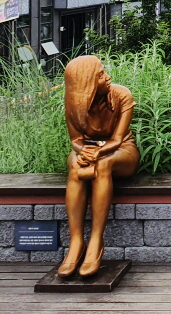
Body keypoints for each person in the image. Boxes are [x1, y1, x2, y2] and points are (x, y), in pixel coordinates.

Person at [58, 56, 140, 278]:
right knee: (75, 165)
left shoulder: (121, 95)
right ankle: (75, 243)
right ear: (87, 84)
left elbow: (117, 140)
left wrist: (96, 152)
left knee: (102, 165)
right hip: (86, 151)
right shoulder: (74, 102)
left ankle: (96, 240)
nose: (108, 77)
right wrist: (83, 150)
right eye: (101, 75)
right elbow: (75, 140)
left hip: (121, 151)